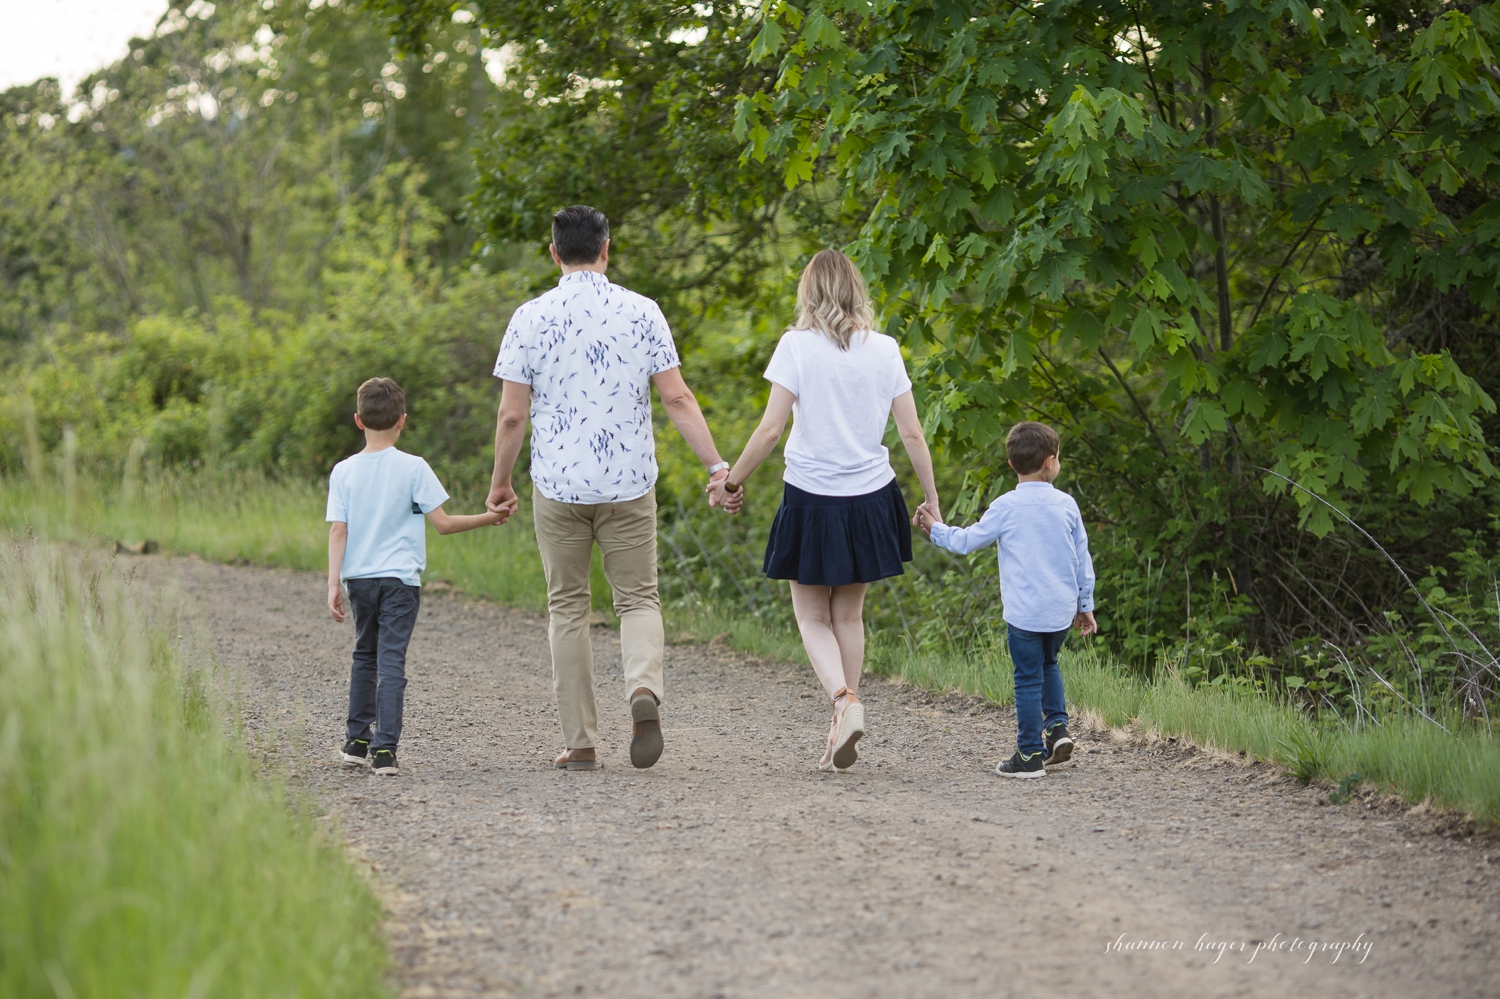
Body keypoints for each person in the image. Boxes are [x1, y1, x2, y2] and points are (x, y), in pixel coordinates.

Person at [487, 205, 732, 772]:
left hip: (559, 487)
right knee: (639, 599)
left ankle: (580, 743)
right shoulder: (643, 312)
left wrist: (500, 483)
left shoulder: (530, 317)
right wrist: (717, 466)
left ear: (554, 253)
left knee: (567, 608)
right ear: (606, 249)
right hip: (628, 483)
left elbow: (510, 416)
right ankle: (642, 690)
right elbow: (676, 399)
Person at [709, 249, 940, 771]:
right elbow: (911, 432)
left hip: (813, 496)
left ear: (808, 293)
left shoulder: (796, 347)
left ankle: (843, 701)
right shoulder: (885, 349)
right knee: (849, 614)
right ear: (856, 290)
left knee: (812, 616)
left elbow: (770, 430)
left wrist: (732, 481)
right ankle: (845, 714)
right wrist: (932, 500)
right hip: (871, 496)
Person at [327, 377, 506, 776]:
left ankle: (356, 742)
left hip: (359, 580)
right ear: (402, 421)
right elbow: (443, 524)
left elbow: (338, 530)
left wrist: (332, 583)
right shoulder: (414, 468)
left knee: (363, 657)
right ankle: (385, 751)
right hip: (400, 583)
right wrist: (490, 518)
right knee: (391, 661)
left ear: (358, 420)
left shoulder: (343, 471)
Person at [914, 421, 1097, 778]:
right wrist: (1085, 605)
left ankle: (1029, 756)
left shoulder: (1005, 506)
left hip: (1025, 614)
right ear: (1051, 461)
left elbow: (965, 542)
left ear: (1012, 464)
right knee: (1050, 664)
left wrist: (935, 528)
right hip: (1060, 611)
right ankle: (1058, 729)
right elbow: (1082, 557)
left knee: (1027, 679)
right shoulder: (1067, 504)